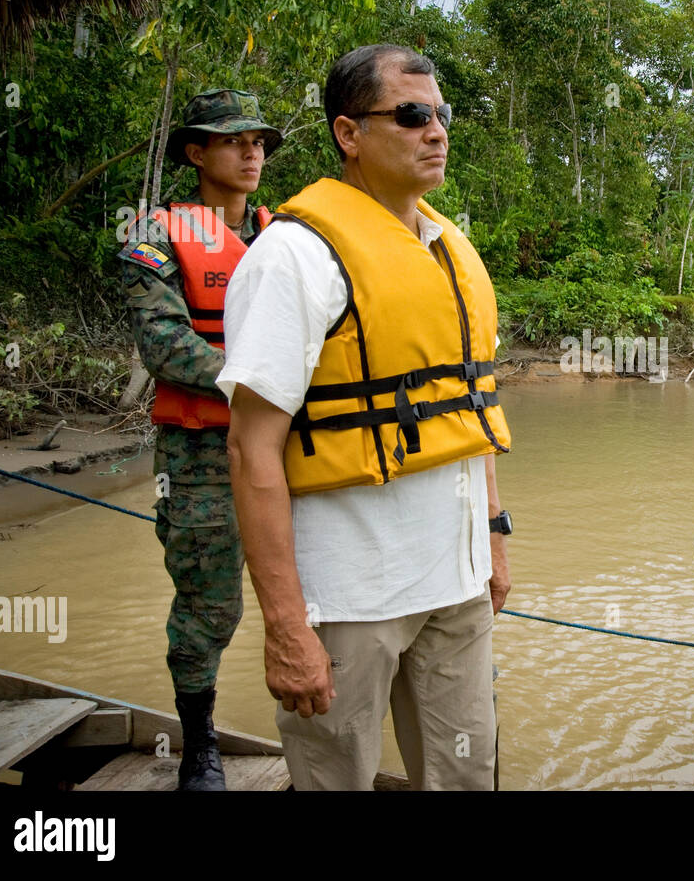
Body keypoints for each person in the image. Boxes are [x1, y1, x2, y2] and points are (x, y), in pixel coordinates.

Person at [219, 44, 512, 791]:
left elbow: (468, 415)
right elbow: (252, 451)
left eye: (441, 115)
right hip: (347, 599)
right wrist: (286, 626)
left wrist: (495, 541)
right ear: (349, 134)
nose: (436, 131)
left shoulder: (450, 249)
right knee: (334, 780)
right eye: (411, 115)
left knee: (468, 777)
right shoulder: (293, 258)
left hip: (457, 586)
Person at [119, 88, 282, 790]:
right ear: (196, 152)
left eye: (260, 143)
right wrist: (262, 386)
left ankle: (312, 733)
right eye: (235, 141)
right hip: (200, 455)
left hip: (288, 451)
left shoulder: (284, 234)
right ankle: (199, 745)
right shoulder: (152, 235)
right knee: (208, 605)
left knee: (312, 592)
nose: (253, 153)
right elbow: (164, 343)